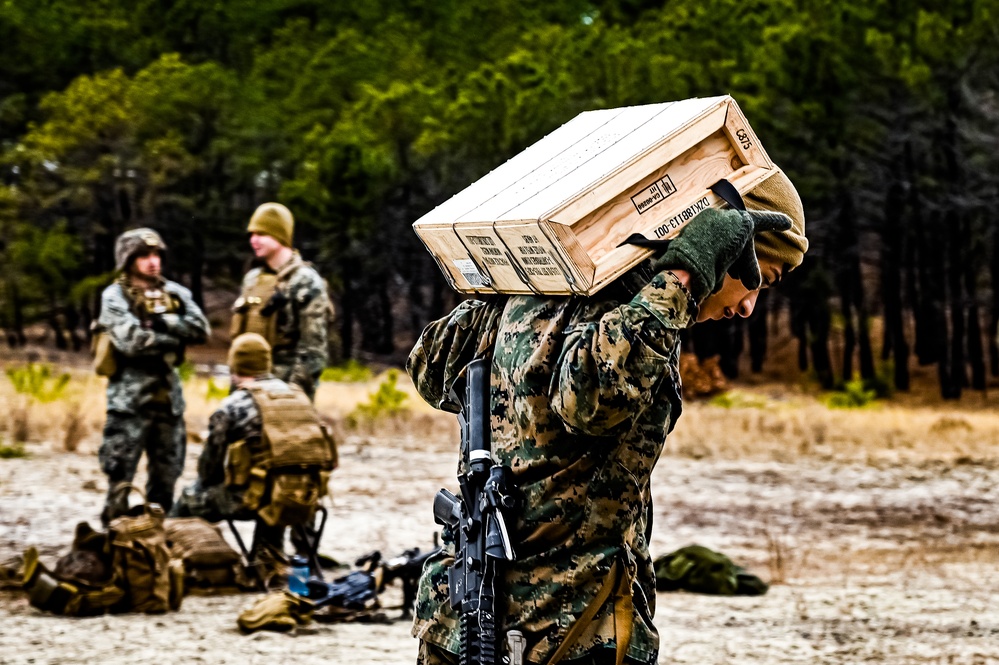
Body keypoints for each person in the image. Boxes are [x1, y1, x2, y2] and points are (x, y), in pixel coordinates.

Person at [407, 172, 808, 665]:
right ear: (722, 246)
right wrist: (682, 277)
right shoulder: (621, 308)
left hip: (473, 616)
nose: (748, 306)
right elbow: (591, 401)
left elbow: (431, 372)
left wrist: (506, 289)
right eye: (757, 279)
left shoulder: (564, 300)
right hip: (562, 623)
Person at [171, 333, 337, 575]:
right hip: (306, 499)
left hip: (253, 501)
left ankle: (176, 567)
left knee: (188, 498)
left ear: (235, 365)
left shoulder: (233, 406)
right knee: (276, 488)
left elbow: (208, 470)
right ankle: (272, 565)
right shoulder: (299, 398)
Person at [97, 228, 210, 525]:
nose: (153, 262)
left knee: (166, 480)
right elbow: (132, 341)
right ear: (128, 259)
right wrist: (173, 337)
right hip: (130, 404)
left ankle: (157, 547)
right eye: (144, 255)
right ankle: (115, 546)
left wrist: (164, 322)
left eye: (157, 254)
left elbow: (201, 329)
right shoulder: (114, 297)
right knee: (120, 481)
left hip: (167, 401)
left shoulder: (175, 293)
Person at [231, 202, 333, 401]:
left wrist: (293, 394)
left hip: (285, 391)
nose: (254, 240)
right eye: (251, 235)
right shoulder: (252, 279)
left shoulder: (306, 281)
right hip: (246, 392)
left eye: (261, 234)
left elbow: (313, 351)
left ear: (280, 236)